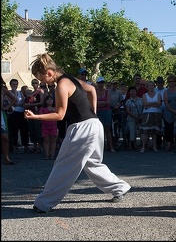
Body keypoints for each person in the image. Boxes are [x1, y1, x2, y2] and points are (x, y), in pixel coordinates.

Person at [24, 53, 131, 213]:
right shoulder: (71, 79)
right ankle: (119, 187)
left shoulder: (62, 85)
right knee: (92, 162)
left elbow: (59, 115)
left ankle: (43, 203)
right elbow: (91, 89)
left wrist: (35, 116)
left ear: (49, 73)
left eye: (41, 78)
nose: (41, 82)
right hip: (94, 125)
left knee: (64, 164)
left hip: (82, 128)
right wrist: (93, 112)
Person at [139, 80, 163, 152]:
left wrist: (151, 104)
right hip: (147, 114)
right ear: (147, 87)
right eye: (150, 85)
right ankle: (143, 146)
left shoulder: (158, 94)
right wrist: (154, 103)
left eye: (152, 85)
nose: (151, 87)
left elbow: (159, 103)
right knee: (145, 130)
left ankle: (154, 146)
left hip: (156, 113)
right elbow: (145, 104)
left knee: (154, 131)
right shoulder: (144, 95)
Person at [163, 75, 176, 151]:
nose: (172, 83)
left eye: (173, 81)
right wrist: (173, 111)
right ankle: (169, 144)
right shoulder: (166, 92)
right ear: (168, 82)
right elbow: (166, 102)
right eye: (170, 81)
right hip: (169, 110)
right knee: (168, 128)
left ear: (175, 82)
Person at [96, 77, 115, 153]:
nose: (101, 84)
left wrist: (99, 103)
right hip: (98, 112)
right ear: (97, 83)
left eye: (102, 82)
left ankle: (110, 147)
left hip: (106, 112)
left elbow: (108, 102)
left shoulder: (107, 92)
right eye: (100, 82)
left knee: (108, 129)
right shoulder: (94, 91)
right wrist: (102, 103)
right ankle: (99, 148)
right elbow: (93, 103)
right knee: (99, 131)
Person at [1, 75, 17, 165]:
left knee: (5, 137)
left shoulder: (3, 89)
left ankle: (6, 158)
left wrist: (7, 106)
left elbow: (14, 99)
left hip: (1, 115)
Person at [39, 94, 58, 160]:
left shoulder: (56, 108)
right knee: (46, 140)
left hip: (53, 126)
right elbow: (40, 116)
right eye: (48, 99)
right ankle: (47, 154)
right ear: (45, 101)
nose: (50, 101)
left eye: (51, 99)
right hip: (45, 126)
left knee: (53, 141)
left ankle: (52, 154)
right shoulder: (43, 109)